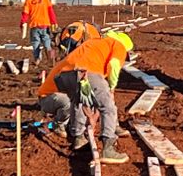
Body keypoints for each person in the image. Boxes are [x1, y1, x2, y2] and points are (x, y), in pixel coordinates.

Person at [37, 31, 134, 163]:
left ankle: (79, 138)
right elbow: (114, 65)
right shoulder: (118, 46)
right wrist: (111, 87)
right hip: (88, 71)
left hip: (64, 74)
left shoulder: (95, 43)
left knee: (78, 102)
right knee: (108, 107)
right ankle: (108, 148)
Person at [20, 0, 58, 66]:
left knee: (35, 43)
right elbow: (51, 11)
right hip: (45, 24)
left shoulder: (29, 0)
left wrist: (22, 23)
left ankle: (37, 59)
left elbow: (25, 14)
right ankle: (51, 59)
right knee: (47, 42)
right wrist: (54, 22)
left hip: (34, 25)